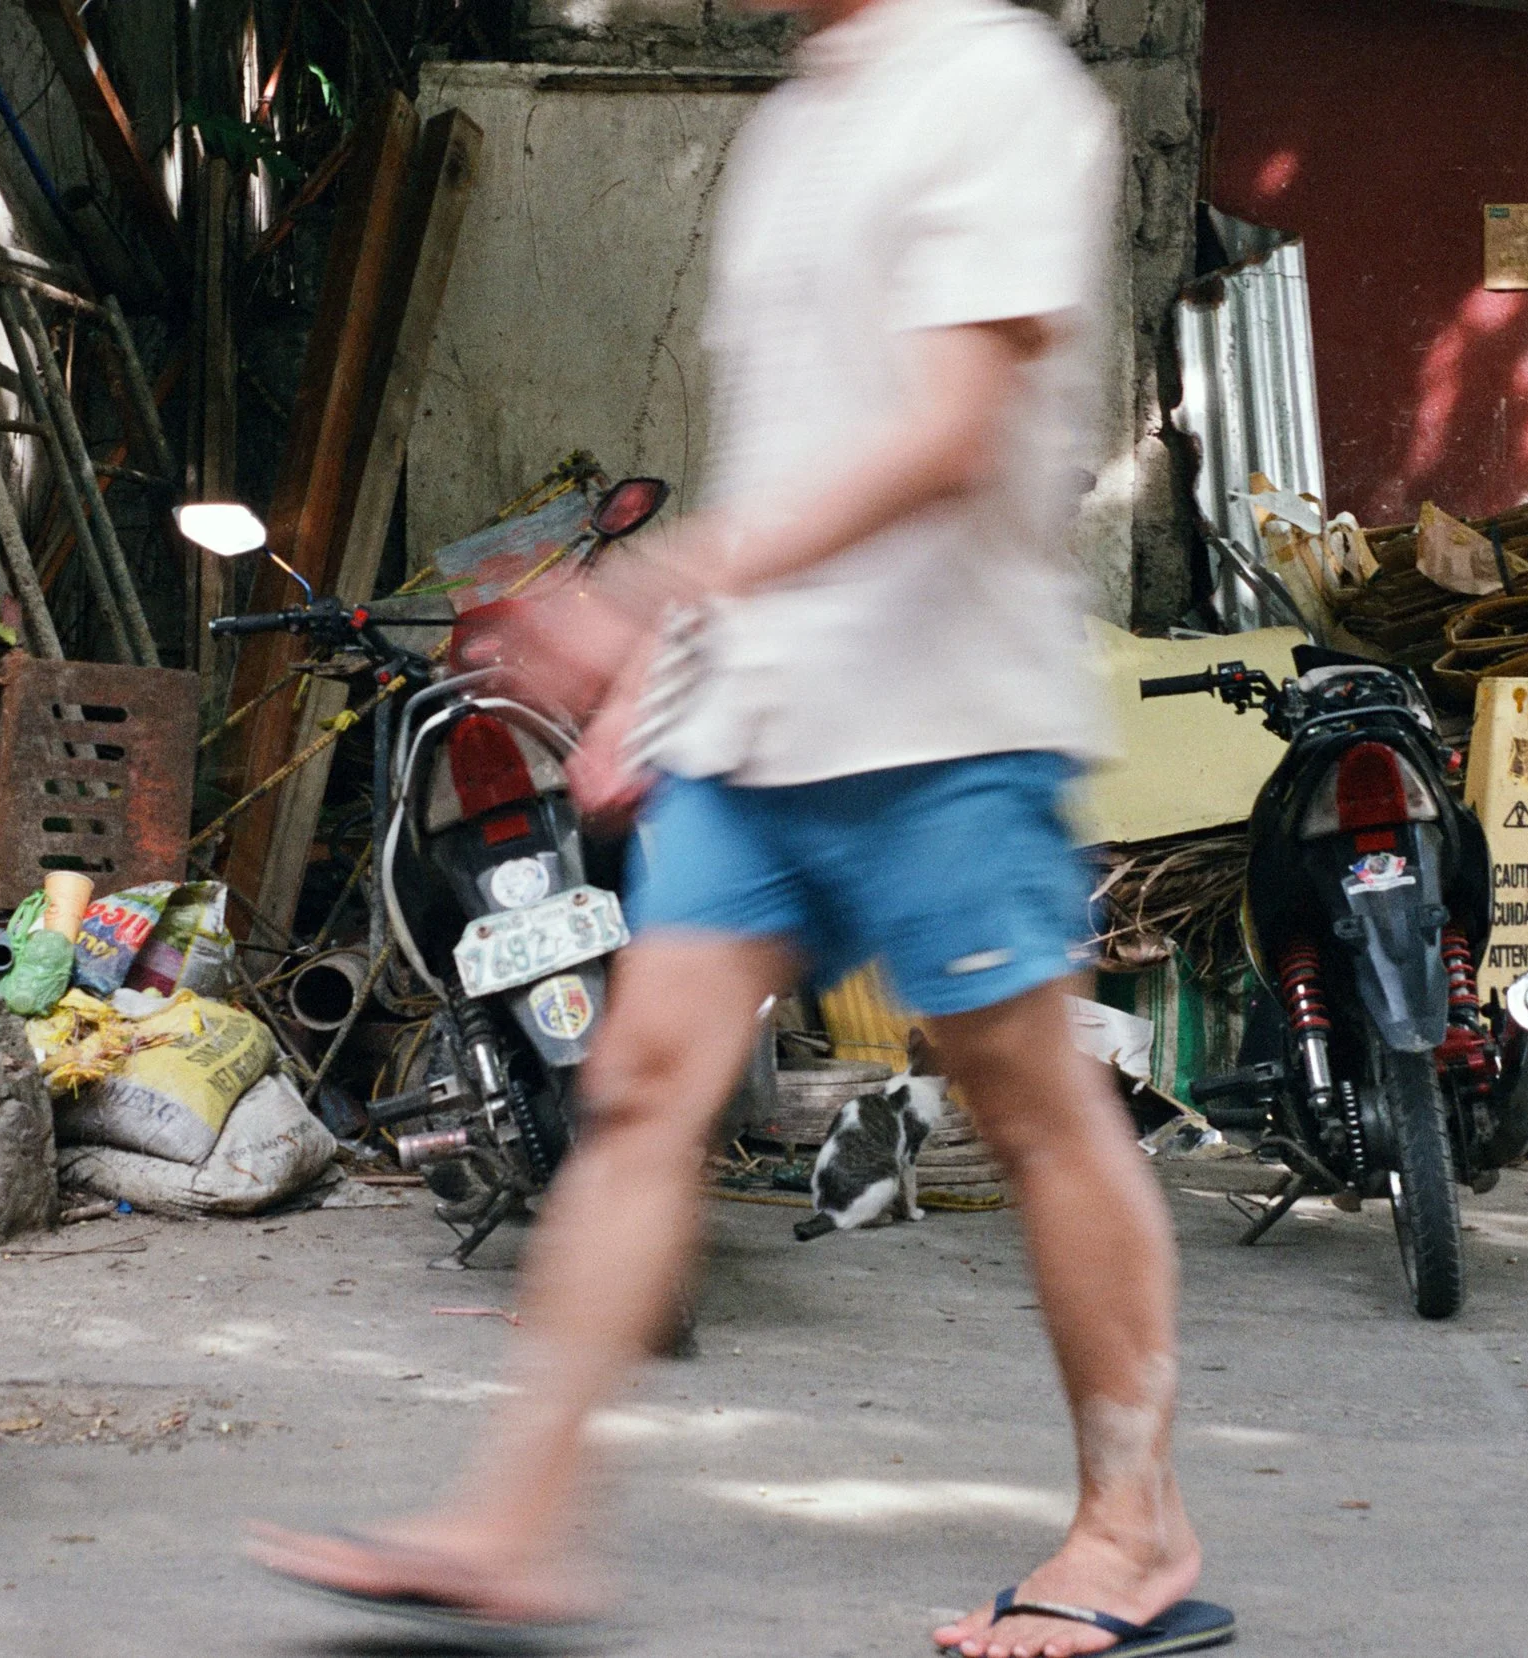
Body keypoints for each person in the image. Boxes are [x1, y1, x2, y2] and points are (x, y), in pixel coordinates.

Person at [251, 1, 1232, 1654]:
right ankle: (516, 1520)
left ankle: (1133, 1525)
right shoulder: (800, 121)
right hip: (758, 724)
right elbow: (787, 451)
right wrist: (662, 673)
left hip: (941, 722)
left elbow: (950, 430)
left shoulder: (995, 85)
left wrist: (647, 585)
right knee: (635, 1092)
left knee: (1038, 1106)